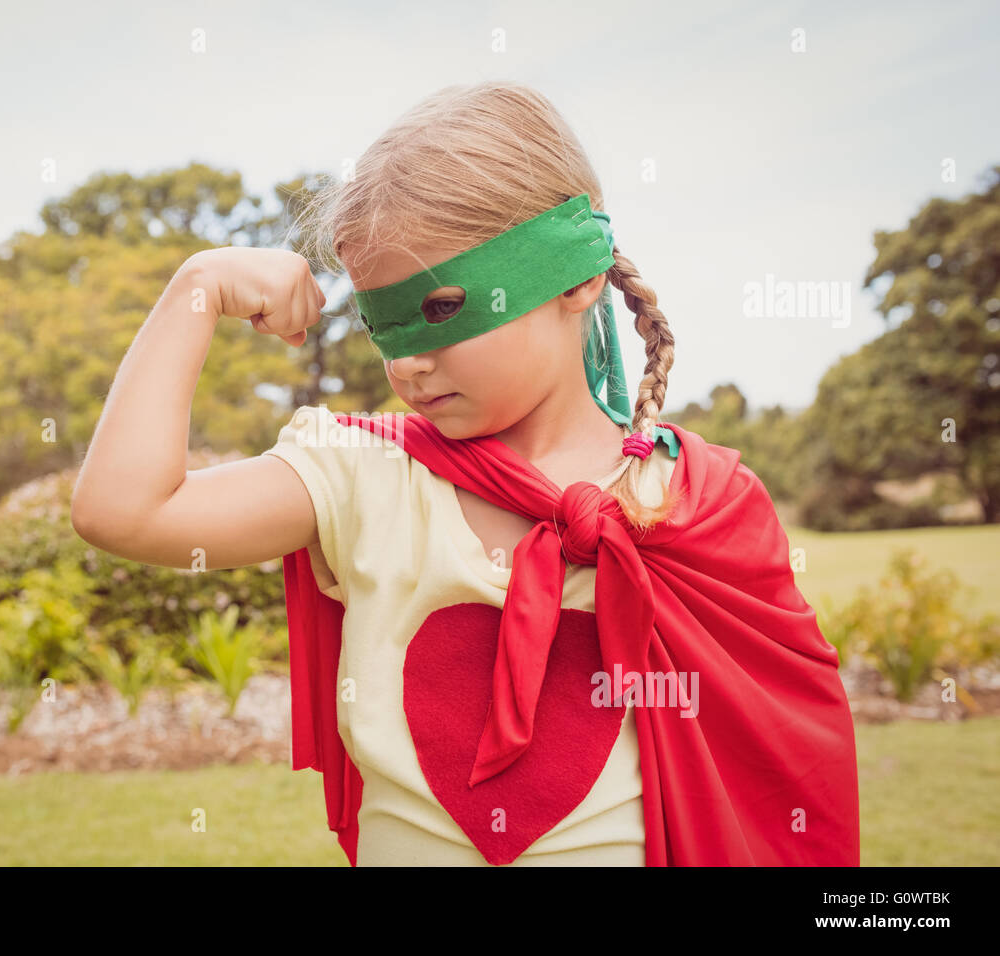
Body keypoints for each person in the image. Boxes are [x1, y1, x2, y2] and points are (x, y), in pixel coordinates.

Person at [71, 80, 860, 867]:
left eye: (443, 309)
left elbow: (782, 763)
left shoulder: (702, 501)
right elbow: (126, 511)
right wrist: (196, 289)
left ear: (576, 276)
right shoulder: (362, 474)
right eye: (384, 323)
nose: (408, 360)